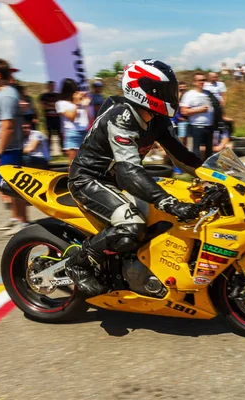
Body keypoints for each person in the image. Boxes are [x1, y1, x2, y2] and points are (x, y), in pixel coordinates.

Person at [63, 59, 204, 295]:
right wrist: (167, 201)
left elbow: (181, 157)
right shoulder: (122, 117)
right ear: (143, 90)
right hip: (90, 179)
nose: (171, 96)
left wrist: (218, 177)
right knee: (132, 226)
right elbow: (129, 170)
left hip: (116, 179)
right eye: (164, 91)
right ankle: (78, 264)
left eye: (171, 90)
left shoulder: (157, 120)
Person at [0, 58, 28, 235]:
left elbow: (7, 126)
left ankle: (23, 221)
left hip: (8, 149)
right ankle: (15, 217)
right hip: (1, 146)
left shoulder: (7, 95)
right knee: (6, 186)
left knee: (14, 186)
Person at [181, 72, 214, 159]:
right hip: (196, 127)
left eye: (204, 80)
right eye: (199, 80)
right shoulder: (189, 94)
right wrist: (199, 110)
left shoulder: (208, 93)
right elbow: (184, 111)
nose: (202, 82)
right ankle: (194, 169)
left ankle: (208, 169)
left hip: (209, 126)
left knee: (209, 150)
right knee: (196, 150)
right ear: (194, 82)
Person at [55, 79, 90, 161]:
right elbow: (72, 117)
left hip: (84, 132)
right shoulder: (60, 103)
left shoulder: (79, 103)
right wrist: (77, 103)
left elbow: (87, 119)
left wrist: (85, 105)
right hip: (72, 133)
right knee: (73, 164)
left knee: (85, 163)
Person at [39, 81, 61, 154]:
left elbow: (59, 106)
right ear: (47, 86)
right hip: (48, 118)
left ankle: (62, 150)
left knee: (59, 133)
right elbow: (43, 106)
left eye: (53, 86)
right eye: (50, 86)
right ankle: (49, 150)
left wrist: (49, 104)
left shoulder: (58, 95)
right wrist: (54, 105)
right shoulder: (44, 96)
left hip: (57, 118)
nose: (52, 87)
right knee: (49, 134)